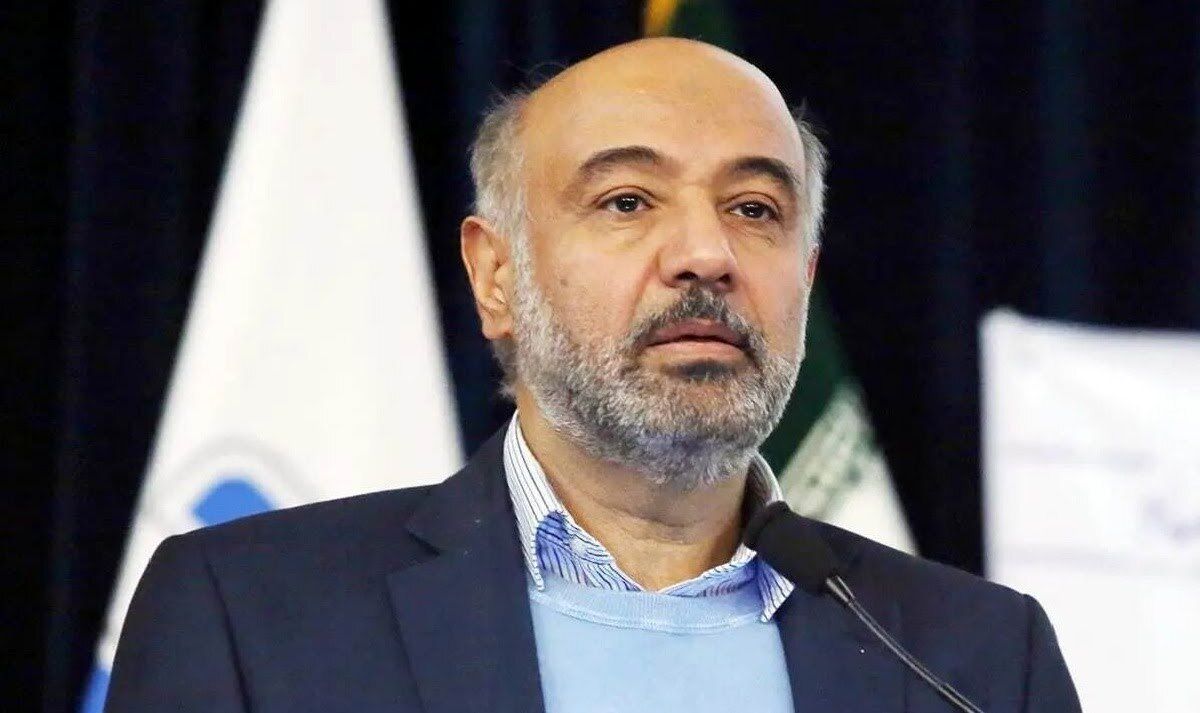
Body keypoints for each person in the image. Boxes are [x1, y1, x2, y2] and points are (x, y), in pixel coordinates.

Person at [105, 38, 1080, 712]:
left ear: (807, 275)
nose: (705, 253)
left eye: (754, 209)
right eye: (626, 200)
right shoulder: (251, 614)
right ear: (496, 275)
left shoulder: (979, 660)